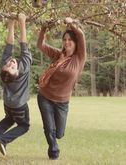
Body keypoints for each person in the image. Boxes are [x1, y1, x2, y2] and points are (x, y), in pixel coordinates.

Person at [36, 17, 86, 160]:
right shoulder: (58, 55)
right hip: (45, 96)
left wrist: (71, 23)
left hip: (62, 102)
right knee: (49, 128)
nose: (66, 42)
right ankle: (54, 152)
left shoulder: (79, 58)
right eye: (64, 40)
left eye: (70, 40)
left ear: (75, 43)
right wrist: (44, 28)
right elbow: (40, 45)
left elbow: (81, 35)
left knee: (59, 133)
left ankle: (55, 141)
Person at [0, 13, 32, 156]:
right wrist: (22, 22)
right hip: (19, 106)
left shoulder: (6, 69)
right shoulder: (23, 68)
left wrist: (11, 23)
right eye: (11, 66)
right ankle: (3, 139)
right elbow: (24, 44)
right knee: (24, 125)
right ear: (16, 73)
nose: (10, 63)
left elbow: (9, 45)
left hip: (8, 104)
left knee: (10, 119)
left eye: (9, 64)